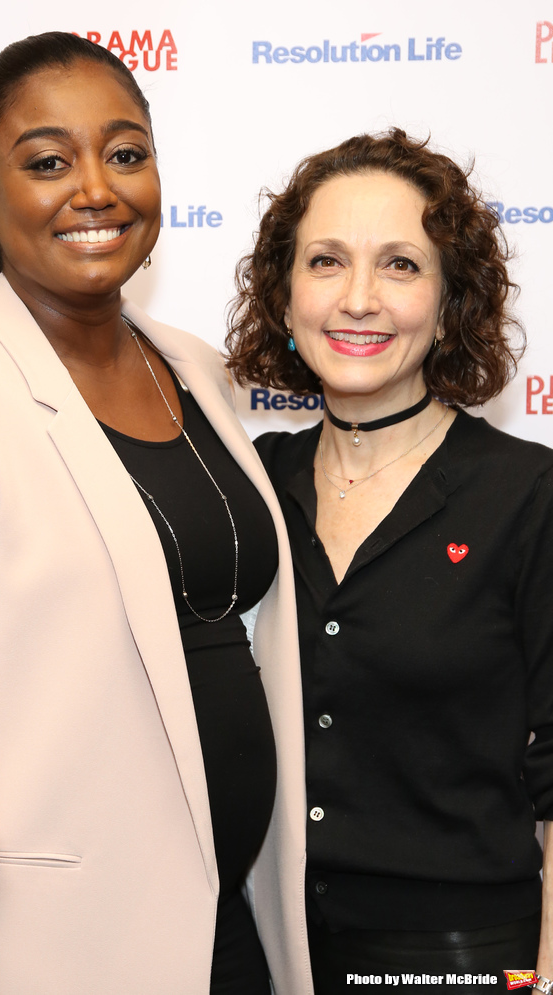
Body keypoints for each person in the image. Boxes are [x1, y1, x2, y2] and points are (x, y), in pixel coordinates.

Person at [0, 32, 312, 995]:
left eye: (124, 152)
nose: (97, 189)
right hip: (64, 944)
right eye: (46, 162)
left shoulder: (190, 363)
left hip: (232, 921)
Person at [225, 129, 553, 993]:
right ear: (285, 295)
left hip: (464, 958)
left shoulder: (528, 495)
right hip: (268, 947)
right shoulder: (249, 487)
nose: (358, 298)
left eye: (401, 265)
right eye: (326, 261)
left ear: (450, 302)